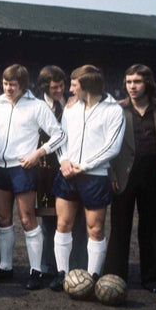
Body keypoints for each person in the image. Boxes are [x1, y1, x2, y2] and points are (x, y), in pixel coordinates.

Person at [0, 64, 65, 290]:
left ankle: (36, 271)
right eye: (5, 84)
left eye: (13, 85)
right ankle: (5, 267)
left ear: (23, 85)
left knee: (27, 219)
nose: (8, 88)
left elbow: (59, 135)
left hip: (23, 167)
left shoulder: (37, 106)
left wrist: (37, 153)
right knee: (3, 219)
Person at [49, 64, 126, 290]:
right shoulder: (71, 109)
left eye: (74, 85)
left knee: (96, 229)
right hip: (67, 174)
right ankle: (62, 274)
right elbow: (61, 138)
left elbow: (112, 147)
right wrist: (63, 161)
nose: (70, 90)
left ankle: (93, 277)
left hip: (94, 177)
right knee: (63, 223)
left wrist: (83, 166)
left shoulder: (113, 110)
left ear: (86, 86)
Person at [104, 64, 156, 292]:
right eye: (128, 82)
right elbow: (107, 144)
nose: (132, 87)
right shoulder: (117, 109)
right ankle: (115, 276)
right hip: (123, 175)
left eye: (137, 81)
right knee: (119, 227)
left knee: (149, 228)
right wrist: (112, 174)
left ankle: (151, 278)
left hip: (153, 176)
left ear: (147, 82)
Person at [35, 65, 88, 285]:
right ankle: (49, 268)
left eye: (62, 86)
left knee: (77, 220)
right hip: (46, 173)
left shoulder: (74, 102)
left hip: (72, 170)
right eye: (54, 87)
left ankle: (79, 268)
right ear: (44, 87)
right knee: (49, 222)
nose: (59, 90)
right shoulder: (36, 106)